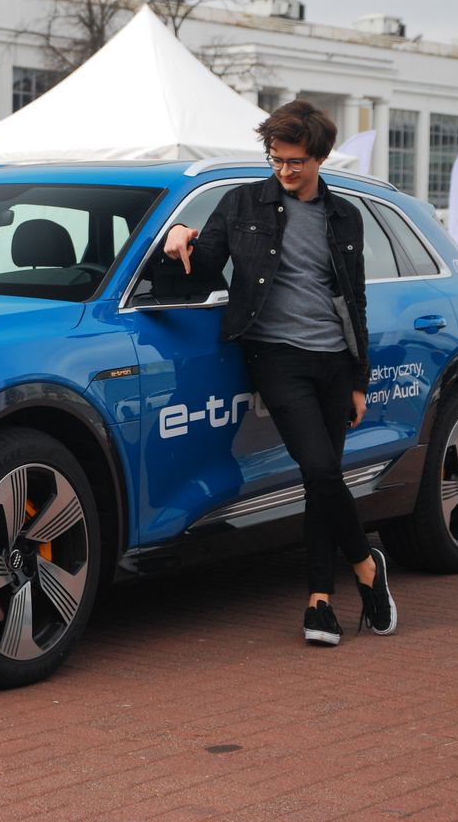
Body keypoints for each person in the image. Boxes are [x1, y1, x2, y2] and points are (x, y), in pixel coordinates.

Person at [162, 100, 397, 646]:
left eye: (295, 162)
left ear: (319, 157)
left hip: (334, 360)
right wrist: (180, 238)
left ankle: (319, 601)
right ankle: (365, 567)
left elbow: (354, 298)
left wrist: (359, 378)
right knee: (318, 468)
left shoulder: (344, 217)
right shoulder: (242, 202)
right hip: (277, 356)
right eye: (276, 159)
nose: (285, 171)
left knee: (324, 481)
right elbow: (205, 262)